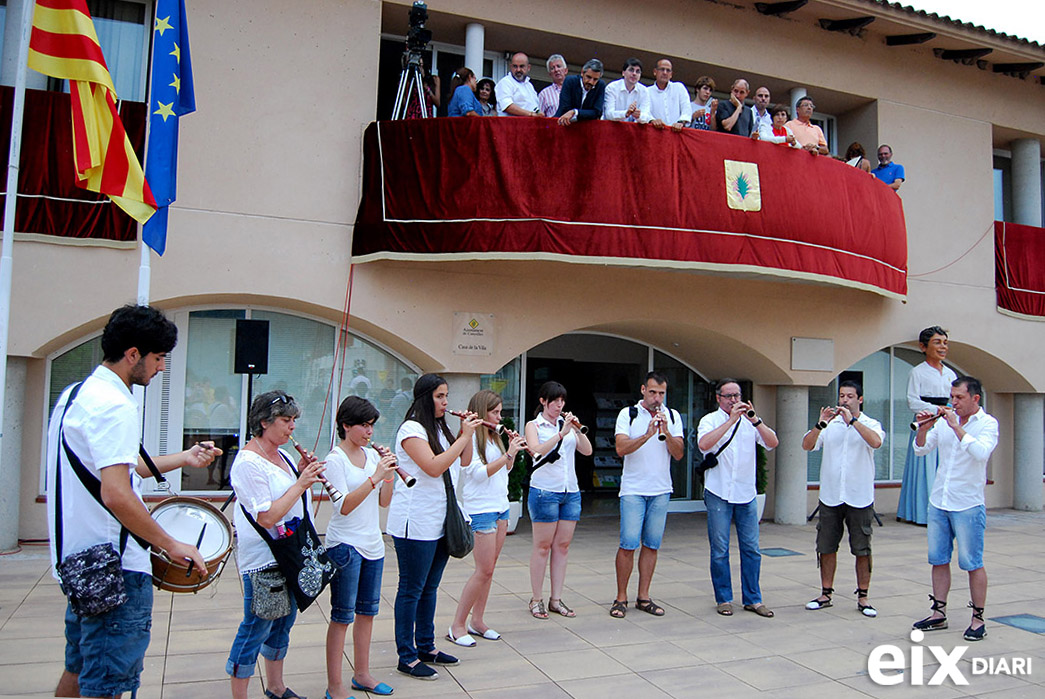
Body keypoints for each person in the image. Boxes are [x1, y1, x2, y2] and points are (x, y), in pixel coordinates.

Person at [48, 305, 219, 699]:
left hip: (81, 564)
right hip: (116, 570)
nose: (161, 369)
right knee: (106, 684)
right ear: (133, 354)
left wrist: (184, 457)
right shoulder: (115, 405)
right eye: (158, 358)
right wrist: (170, 543)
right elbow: (116, 493)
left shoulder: (76, 395)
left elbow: (117, 470)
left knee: (78, 669)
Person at [226, 390, 325, 699]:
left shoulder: (280, 453)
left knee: (283, 623)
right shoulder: (247, 462)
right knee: (256, 627)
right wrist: (301, 483)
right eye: (285, 420)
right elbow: (267, 516)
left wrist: (300, 470)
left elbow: (289, 496)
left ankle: (277, 687)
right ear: (264, 423)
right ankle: (240, 693)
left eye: (294, 419)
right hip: (263, 557)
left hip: (290, 552)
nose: (292, 426)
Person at [387, 373, 481, 680]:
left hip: (440, 520)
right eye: (440, 396)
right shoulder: (411, 429)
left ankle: (426, 645)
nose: (445, 402)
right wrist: (464, 437)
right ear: (426, 397)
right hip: (415, 522)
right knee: (411, 589)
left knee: (430, 588)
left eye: (447, 396)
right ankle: (407, 655)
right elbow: (432, 466)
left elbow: (462, 461)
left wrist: (470, 433)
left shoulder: (440, 427)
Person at [912, 377, 998, 642]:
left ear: (975, 399)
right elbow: (921, 450)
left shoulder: (988, 424)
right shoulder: (945, 422)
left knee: (972, 562)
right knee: (938, 559)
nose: (953, 403)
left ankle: (978, 618)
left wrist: (956, 428)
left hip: (968, 504)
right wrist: (923, 428)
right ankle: (938, 613)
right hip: (940, 501)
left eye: (959, 398)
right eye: (952, 397)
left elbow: (981, 453)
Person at [323, 396, 398, 699]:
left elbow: (384, 501)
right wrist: (375, 476)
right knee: (342, 616)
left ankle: (362, 674)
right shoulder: (334, 460)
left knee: (367, 613)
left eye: (371, 426)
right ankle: (334, 686)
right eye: (364, 425)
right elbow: (343, 506)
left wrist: (389, 473)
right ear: (346, 426)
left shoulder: (371, 457)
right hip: (344, 545)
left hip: (372, 544)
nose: (369, 432)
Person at [448, 390, 526, 646]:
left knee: (489, 570)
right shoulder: (469, 438)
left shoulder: (494, 437)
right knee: (483, 570)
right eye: (494, 413)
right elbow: (477, 474)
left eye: (500, 412)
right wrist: (507, 455)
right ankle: (457, 625)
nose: (499, 417)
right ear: (482, 413)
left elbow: (506, 469)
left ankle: (477, 621)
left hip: (500, 506)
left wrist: (512, 452)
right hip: (481, 509)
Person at [801, 381, 884, 617]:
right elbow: (807, 445)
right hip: (831, 495)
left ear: (860, 400)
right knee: (826, 546)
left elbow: (876, 442)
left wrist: (853, 422)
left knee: (862, 548)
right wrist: (820, 424)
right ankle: (825, 593)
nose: (844, 400)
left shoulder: (870, 424)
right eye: (841, 396)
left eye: (849, 396)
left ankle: (863, 596)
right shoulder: (830, 425)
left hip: (859, 496)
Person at [697, 379, 778, 618]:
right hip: (718, 491)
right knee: (720, 549)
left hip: (745, 493)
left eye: (737, 395)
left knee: (751, 549)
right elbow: (704, 444)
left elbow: (772, 443)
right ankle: (723, 598)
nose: (734, 400)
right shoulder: (709, 420)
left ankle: (753, 599)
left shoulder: (750, 421)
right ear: (718, 398)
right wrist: (731, 420)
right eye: (729, 396)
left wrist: (756, 420)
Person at [609, 372, 684, 619]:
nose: (657, 398)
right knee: (628, 544)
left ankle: (644, 596)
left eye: (661, 393)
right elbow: (621, 449)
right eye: (652, 392)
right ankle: (621, 597)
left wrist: (666, 433)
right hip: (633, 489)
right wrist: (646, 435)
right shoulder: (628, 414)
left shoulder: (672, 416)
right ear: (643, 390)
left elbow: (679, 454)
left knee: (652, 545)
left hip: (661, 490)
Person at [524, 381, 593, 619]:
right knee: (542, 547)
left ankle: (556, 598)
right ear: (543, 401)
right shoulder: (534, 425)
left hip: (570, 491)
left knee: (562, 547)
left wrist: (575, 428)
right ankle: (536, 599)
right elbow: (535, 450)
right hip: (545, 491)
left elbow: (587, 450)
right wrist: (559, 435)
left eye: (562, 401)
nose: (559, 405)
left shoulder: (567, 425)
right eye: (555, 401)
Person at [897, 326, 957, 525]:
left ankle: (945, 510)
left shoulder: (951, 374)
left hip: (946, 423)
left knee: (945, 464)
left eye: (945, 343)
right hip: (925, 421)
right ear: (923, 347)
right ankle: (922, 513)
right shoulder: (918, 372)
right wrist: (935, 409)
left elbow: (955, 400)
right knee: (924, 467)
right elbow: (912, 401)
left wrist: (948, 410)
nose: (942, 347)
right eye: (937, 342)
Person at [555, 58, 606, 126]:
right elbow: (565, 107)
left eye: (595, 79)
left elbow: (597, 112)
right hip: (562, 124)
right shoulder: (570, 81)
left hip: (585, 128)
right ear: (582, 72)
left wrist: (575, 112)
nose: (591, 82)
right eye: (588, 77)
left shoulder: (600, 85)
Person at [647, 59, 692, 132]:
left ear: (671, 74)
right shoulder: (647, 91)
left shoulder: (679, 87)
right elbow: (644, 111)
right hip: (655, 133)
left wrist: (681, 122)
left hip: (676, 134)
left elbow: (686, 108)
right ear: (655, 72)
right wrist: (652, 120)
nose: (665, 73)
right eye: (662, 69)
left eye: (668, 70)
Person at [603, 58, 651, 123]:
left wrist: (638, 116)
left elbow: (646, 116)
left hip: (632, 130)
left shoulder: (644, 91)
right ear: (623, 73)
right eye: (631, 70)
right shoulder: (612, 87)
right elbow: (608, 114)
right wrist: (626, 113)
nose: (634, 74)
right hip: (612, 128)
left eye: (637, 71)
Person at [496, 52, 541, 117]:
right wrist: (531, 114)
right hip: (511, 125)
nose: (518, 70)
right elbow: (507, 106)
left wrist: (538, 113)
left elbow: (534, 106)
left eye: (521, 66)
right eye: (515, 66)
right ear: (511, 67)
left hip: (528, 125)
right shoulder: (505, 82)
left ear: (528, 67)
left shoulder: (529, 86)